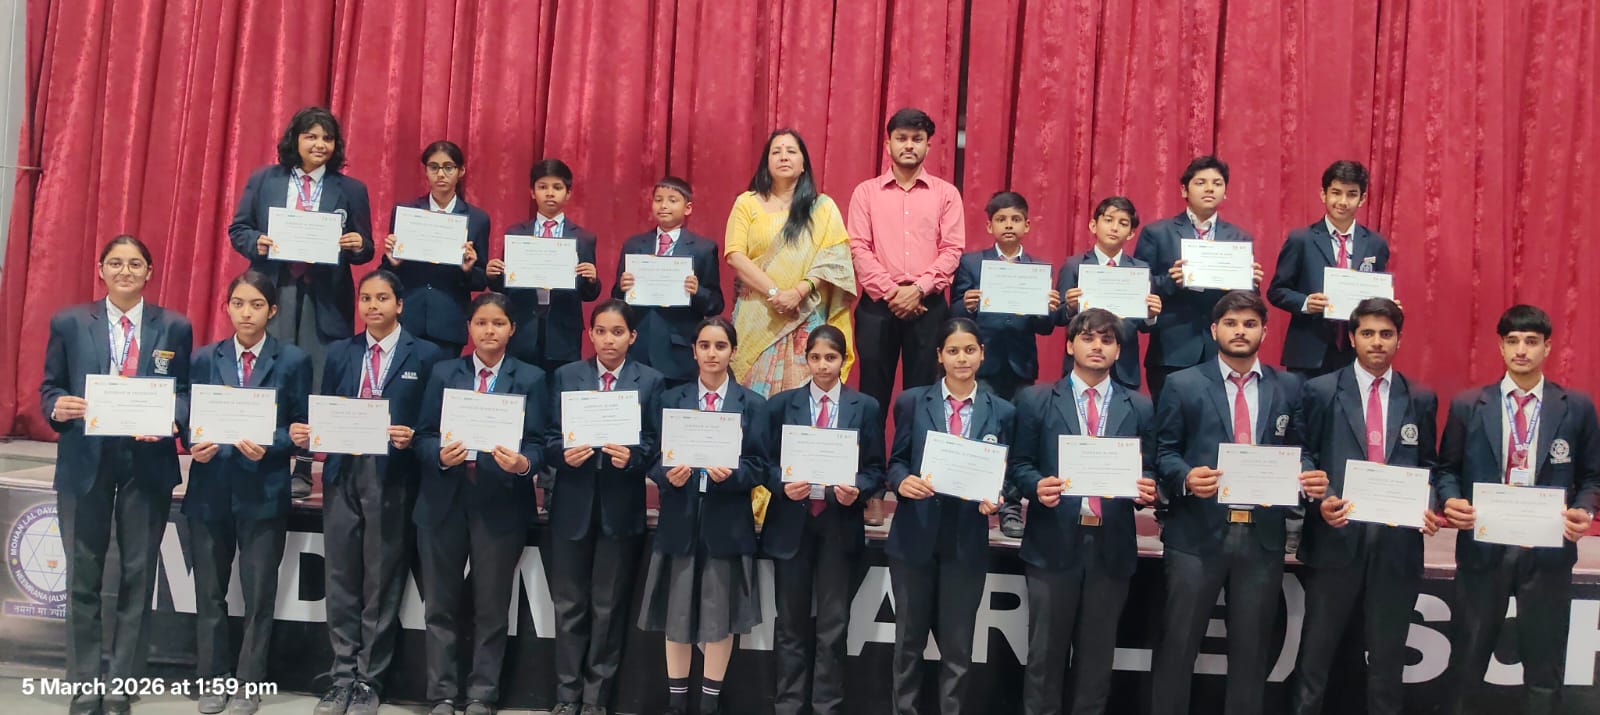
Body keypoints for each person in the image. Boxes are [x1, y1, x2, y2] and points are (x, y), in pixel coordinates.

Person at [1147, 290, 1326, 715]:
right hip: (1196, 536)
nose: (1240, 331)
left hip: (1261, 537)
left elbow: (1301, 450)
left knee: (1252, 654)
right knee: (1177, 648)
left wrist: (1307, 474)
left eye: (1249, 324)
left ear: (1265, 331)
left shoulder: (1289, 387)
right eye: (1231, 323)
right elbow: (1164, 453)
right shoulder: (1183, 384)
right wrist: (1185, 477)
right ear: (1214, 330)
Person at [41, 235, 193, 715]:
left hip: (146, 463)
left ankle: (122, 684)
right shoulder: (69, 322)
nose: (125, 271)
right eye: (115, 263)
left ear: (150, 272)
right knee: (82, 577)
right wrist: (57, 407)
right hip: (84, 460)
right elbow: (50, 388)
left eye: (134, 264)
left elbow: (185, 393)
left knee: (137, 575)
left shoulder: (174, 326)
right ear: (101, 269)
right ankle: (85, 683)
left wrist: (172, 419)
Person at [290, 270, 447, 715]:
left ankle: (368, 680)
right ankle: (341, 677)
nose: (373, 306)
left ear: (400, 304)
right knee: (340, 577)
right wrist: (313, 432)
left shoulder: (427, 355)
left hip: (392, 475)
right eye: (365, 298)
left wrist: (411, 436)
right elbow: (327, 406)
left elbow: (433, 423)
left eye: (382, 298)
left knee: (381, 580)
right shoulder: (341, 351)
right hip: (343, 472)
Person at [1435, 304, 1600, 715]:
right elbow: (1446, 470)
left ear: (1548, 347)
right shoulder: (1470, 404)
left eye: (1531, 341)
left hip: (1547, 553)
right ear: (1501, 347)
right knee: (1466, 665)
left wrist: (1583, 510)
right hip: (1483, 549)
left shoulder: (1576, 407)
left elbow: (1592, 477)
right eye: (1512, 341)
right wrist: (1450, 500)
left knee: (1544, 669)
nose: (1521, 350)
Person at [1289, 298, 1442, 715]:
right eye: (1368, 333)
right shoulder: (1321, 390)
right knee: (1315, 658)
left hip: (1396, 545)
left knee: (1388, 662)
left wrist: (1428, 503)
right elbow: (1302, 453)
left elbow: (1429, 465)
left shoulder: (1420, 397)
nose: (1377, 342)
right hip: (1335, 538)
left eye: (1386, 334)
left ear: (1399, 340)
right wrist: (1319, 493)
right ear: (1353, 338)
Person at [1010, 308, 1158, 715]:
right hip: (1052, 542)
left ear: (1118, 351)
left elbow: (1150, 469)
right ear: (1069, 344)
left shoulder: (1140, 406)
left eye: (1107, 340)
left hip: (1111, 545)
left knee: (1097, 661)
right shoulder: (1036, 399)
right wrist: (1035, 485)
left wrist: (1148, 487)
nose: (1097, 346)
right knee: (1044, 658)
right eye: (1089, 338)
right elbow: (1020, 464)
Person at [228, 105, 375, 498]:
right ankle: (263, 455)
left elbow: (366, 248)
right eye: (311, 136)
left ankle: (306, 465)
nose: (319, 144)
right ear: (295, 139)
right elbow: (239, 229)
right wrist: (256, 242)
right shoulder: (265, 179)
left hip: (325, 296)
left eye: (327, 138)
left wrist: (358, 244)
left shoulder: (352, 189)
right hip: (274, 290)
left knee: (316, 377)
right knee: (269, 372)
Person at [185, 271, 312, 715]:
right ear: (227, 307)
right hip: (209, 490)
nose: (246, 313)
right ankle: (211, 678)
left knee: (259, 595)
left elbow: (300, 429)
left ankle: (248, 682)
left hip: (263, 491)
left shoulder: (293, 360)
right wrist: (192, 441)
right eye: (238, 303)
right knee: (210, 593)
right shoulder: (205, 357)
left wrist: (272, 443)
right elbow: (189, 416)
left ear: (272, 310)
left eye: (256, 305)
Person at [414, 292, 547, 715]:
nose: (489, 331)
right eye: (481, 323)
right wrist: (439, 454)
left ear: (512, 329)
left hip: (500, 502)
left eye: (498, 323)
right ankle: (441, 693)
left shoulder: (530, 378)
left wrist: (524, 464)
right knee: (439, 605)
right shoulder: (443, 372)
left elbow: (539, 444)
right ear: (468, 328)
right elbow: (423, 435)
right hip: (445, 500)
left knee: (491, 607)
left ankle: (481, 694)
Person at [640, 317, 768, 715]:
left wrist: (734, 476)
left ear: (733, 352)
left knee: (719, 619)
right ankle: (677, 703)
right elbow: (651, 456)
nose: (712, 354)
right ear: (694, 351)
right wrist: (667, 475)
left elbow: (760, 466)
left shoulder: (753, 404)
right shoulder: (670, 399)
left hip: (727, 521)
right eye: (705, 346)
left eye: (721, 346)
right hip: (680, 518)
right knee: (676, 616)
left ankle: (709, 703)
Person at [544, 300, 666, 715]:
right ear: (590, 334)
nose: (608, 339)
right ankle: (566, 697)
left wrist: (632, 457)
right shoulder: (567, 376)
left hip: (620, 507)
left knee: (607, 608)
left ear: (632, 337)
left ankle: (596, 700)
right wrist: (563, 454)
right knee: (569, 607)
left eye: (618, 332)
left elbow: (654, 443)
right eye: (601, 331)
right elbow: (549, 438)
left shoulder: (650, 381)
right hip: (571, 506)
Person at [885, 318, 1012, 715]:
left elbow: (1007, 475)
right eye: (953, 351)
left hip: (966, 541)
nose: (962, 358)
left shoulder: (1002, 411)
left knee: (958, 649)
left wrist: (998, 497)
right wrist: (901, 481)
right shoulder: (911, 402)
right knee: (907, 645)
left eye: (969, 350)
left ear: (982, 354)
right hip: (914, 538)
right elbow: (896, 461)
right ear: (939, 355)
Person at [762, 326, 886, 715]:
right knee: (790, 625)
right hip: (792, 525)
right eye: (815, 357)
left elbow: (875, 468)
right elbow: (764, 463)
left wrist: (858, 490)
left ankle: (826, 706)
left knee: (833, 627)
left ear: (844, 360)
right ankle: (787, 705)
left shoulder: (865, 407)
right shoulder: (781, 405)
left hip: (838, 524)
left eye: (830, 357)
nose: (822, 365)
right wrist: (783, 486)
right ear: (806, 360)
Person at [950, 190, 1060, 538]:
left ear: (1027, 225)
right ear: (989, 226)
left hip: (1021, 366)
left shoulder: (1037, 269)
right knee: (980, 432)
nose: (1008, 225)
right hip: (981, 367)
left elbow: (1046, 327)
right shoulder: (971, 263)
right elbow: (953, 311)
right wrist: (966, 305)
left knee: (1016, 436)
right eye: (1001, 219)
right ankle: (973, 501)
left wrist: (1050, 309)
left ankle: (1011, 505)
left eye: (1015, 219)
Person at [848, 107, 965, 418]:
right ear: (888, 145)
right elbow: (858, 248)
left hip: (928, 306)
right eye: (901, 138)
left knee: (924, 396)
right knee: (872, 396)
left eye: (917, 139)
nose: (909, 145)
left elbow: (952, 250)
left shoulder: (946, 194)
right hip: (877, 306)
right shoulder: (866, 193)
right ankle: (870, 453)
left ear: (928, 145)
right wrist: (893, 292)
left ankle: (917, 452)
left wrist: (918, 289)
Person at [724, 129, 856, 396]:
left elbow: (834, 259)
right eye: (776, 151)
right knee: (753, 399)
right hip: (758, 314)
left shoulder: (822, 207)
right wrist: (776, 293)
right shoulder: (747, 203)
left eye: (791, 151)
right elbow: (735, 255)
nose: (783, 157)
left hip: (805, 314)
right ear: (767, 162)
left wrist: (798, 292)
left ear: (803, 163)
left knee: (803, 400)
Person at [1132, 155, 1263, 402]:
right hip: (1172, 349)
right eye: (1201, 182)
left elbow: (1248, 302)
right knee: (1170, 419)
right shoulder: (1157, 233)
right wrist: (1171, 281)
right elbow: (1139, 289)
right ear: (1184, 190)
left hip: (1222, 350)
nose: (1210, 189)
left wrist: (1252, 284)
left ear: (1226, 192)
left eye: (1217, 183)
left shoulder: (1239, 238)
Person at [1268, 160, 1392, 378]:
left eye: (1351, 194)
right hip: (1309, 352)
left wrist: (1388, 305)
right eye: (1336, 193)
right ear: (1323, 194)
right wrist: (1306, 303)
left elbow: (1377, 294)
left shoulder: (1375, 244)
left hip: (1356, 352)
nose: (1343, 202)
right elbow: (1277, 291)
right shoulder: (1301, 240)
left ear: (1362, 198)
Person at [488, 158, 602, 375]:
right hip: (523, 326)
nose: (550, 193)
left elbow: (589, 294)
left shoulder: (583, 238)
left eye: (557, 187)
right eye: (543, 187)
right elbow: (504, 287)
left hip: (562, 331)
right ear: (532, 192)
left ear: (568, 194)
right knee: (522, 385)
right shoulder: (516, 234)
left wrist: (591, 279)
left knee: (558, 388)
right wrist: (494, 275)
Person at [382, 140, 491, 358]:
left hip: (448, 321)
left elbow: (480, 281)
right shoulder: (406, 213)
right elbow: (386, 272)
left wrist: (468, 269)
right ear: (426, 171)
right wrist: (392, 263)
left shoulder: (477, 219)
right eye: (434, 167)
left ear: (461, 171)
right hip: (407, 318)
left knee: (442, 378)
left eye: (448, 167)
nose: (441, 174)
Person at [613, 176, 725, 387]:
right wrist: (622, 288)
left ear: (688, 208)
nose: (663, 205)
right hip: (638, 348)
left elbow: (716, 304)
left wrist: (697, 291)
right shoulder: (634, 245)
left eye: (672, 200)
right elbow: (617, 301)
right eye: (658, 200)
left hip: (678, 353)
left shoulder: (703, 248)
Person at [1055, 196, 1163, 391]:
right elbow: (1057, 317)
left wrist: (1150, 316)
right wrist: (1070, 308)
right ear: (1093, 225)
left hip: (1125, 368)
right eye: (1108, 220)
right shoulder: (1073, 265)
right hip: (1081, 366)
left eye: (1123, 223)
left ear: (1131, 233)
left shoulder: (1140, 270)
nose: (1114, 228)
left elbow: (1143, 326)